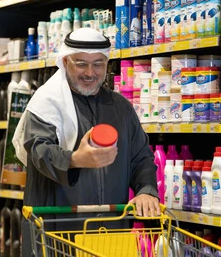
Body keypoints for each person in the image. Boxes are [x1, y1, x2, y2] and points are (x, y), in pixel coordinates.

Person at [13, 28, 159, 255]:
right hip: (57, 234)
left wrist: (146, 190)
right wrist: (74, 159)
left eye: (98, 64)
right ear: (65, 61)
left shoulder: (121, 108)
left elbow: (141, 158)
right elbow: (39, 150)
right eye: (81, 63)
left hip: (111, 235)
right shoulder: (46, 103)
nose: (90, 72)